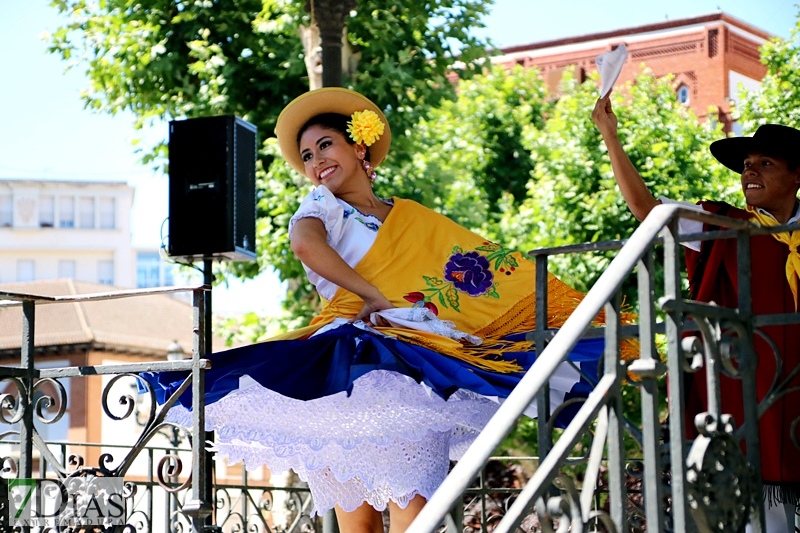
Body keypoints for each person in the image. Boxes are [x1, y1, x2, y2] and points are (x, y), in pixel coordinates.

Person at [146, 88, 632, 533]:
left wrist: (573, 307)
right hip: (346, 369)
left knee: (417, 517)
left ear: (360, 147)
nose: (317, 161)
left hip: (414, 368)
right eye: (309, 156)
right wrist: (373, 297)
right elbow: (306, 246)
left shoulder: (413, 216)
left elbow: (482, 272)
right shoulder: (322, 207)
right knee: (358, 525)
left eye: (326, 145)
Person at [592, 95, 800, 532]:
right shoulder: (723, 227)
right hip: (750, 407)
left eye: (765, 163)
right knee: (764, 521)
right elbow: (648, 211)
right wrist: (611, 138)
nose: (749, 171)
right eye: (746, 164)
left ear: (797, 175)